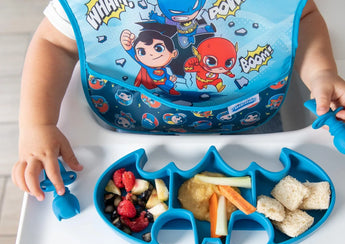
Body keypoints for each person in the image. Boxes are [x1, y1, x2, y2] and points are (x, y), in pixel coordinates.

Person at [12, 0, 345, 202]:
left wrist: (322, 73)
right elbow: (54, 43)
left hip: (248, 119)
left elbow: (301, 17)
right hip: (133, 123)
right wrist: (37, 123)